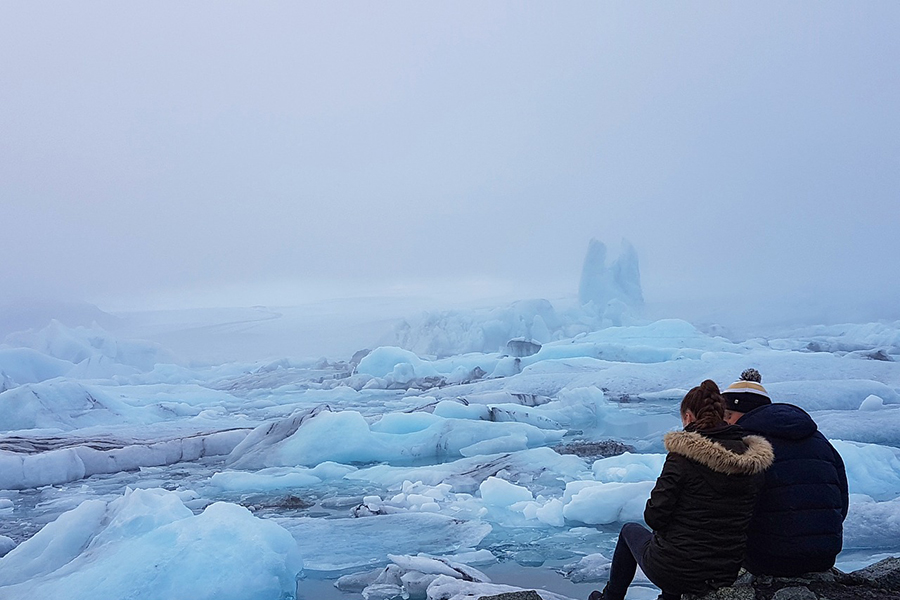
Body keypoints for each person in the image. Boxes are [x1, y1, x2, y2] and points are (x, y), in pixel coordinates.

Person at [589, 380, 774, 600]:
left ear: (688, 417)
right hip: (725, 569)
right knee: (679, 546)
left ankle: (610, 597)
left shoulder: (682, 457)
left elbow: (654, 517)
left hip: (678, 569)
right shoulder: (751, 459)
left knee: (631, 532)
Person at [722, 369, 849, 576]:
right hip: (825, 555)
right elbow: (842, 500)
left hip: (768, 559)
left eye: (727, 415)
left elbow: (731, 510)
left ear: (739, 413)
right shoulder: (819, 439)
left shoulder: (745, 445)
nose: (724, 423)